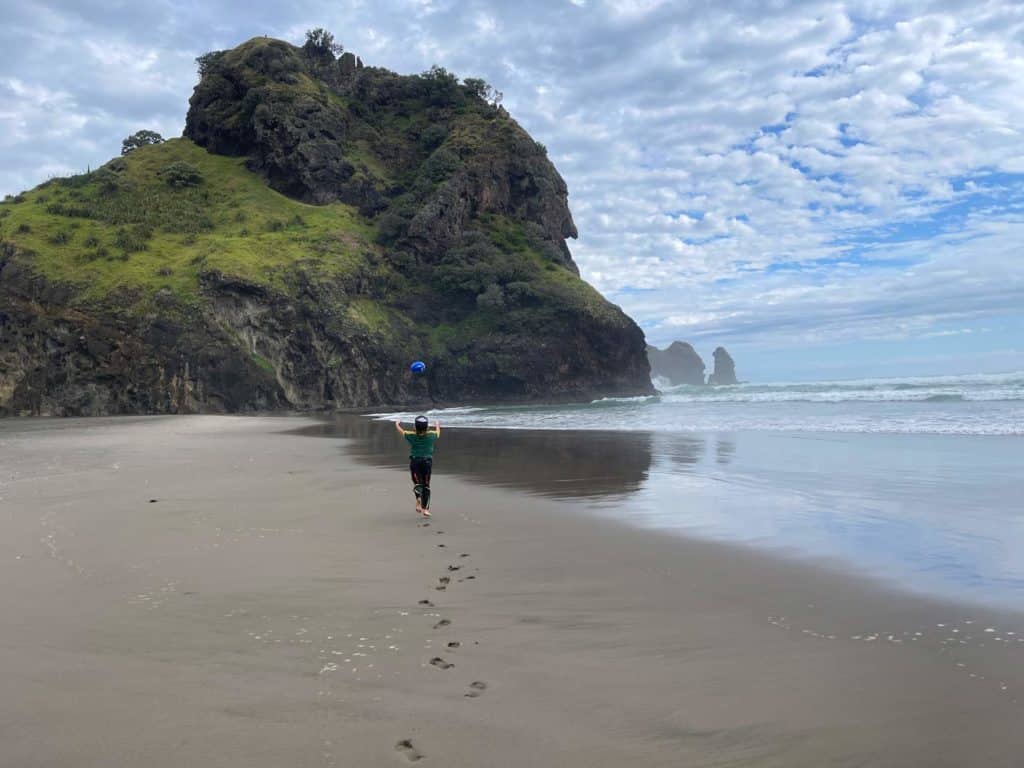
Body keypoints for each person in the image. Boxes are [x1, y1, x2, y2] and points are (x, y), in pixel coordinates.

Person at [395, 416, 441, 517]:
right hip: (427, 463)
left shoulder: (412, 435)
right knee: (426, 486)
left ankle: (418, 500)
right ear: (427, 427)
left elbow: (401, 431)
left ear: (415, 427)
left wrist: (397, 424)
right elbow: (438, 432)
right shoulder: (431, 435)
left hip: (415, 462)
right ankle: (425, 509)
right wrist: (437, 424)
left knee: (417, 484)